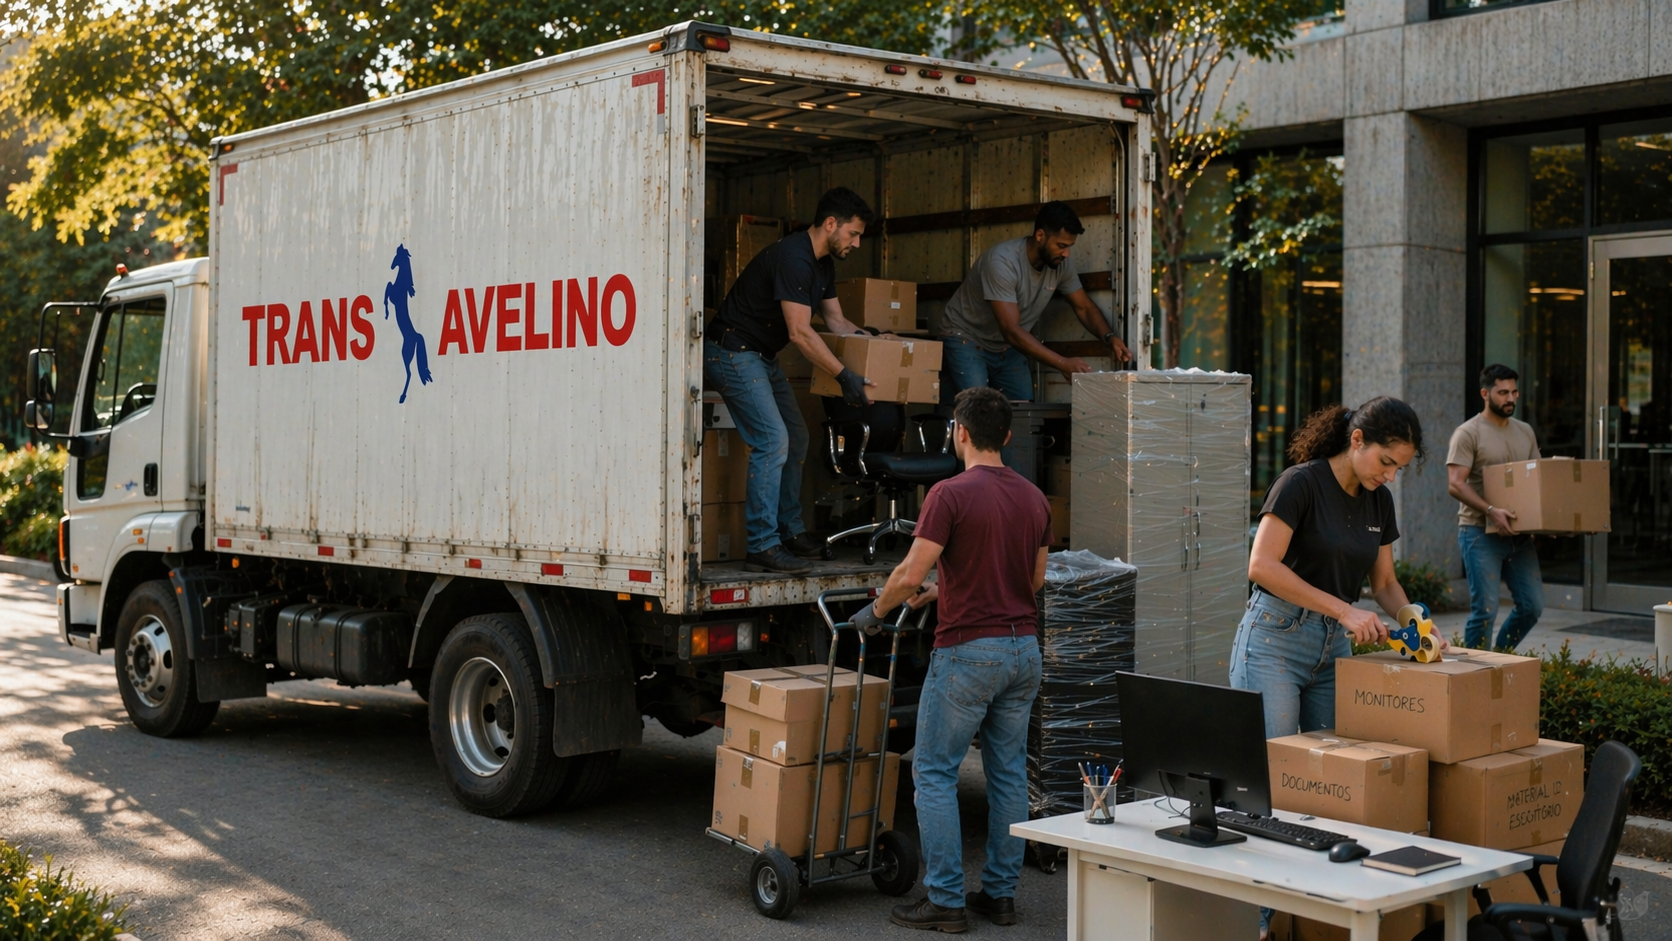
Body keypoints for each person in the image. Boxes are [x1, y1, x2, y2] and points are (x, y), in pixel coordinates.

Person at [852, 387, 1050, 933]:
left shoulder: (949, 493)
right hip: (1023, 650)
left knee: (934, 772)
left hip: (969, 652)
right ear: (1005, 435)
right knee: (1007, 772)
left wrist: (875, 612)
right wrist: (947, 590)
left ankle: (945, 900)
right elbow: (1032, 581)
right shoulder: (1035, 498)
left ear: (959, 432)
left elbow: (909, 573)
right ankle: (1000, 896)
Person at [1231, 397, 1441, 740]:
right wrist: (1345, 610)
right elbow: (1261, 566)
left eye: (1398, 469)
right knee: (1275, 761)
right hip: (1274, 641)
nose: (1390, 476)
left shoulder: (1380, 501)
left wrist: (1415, 624)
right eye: (1386, 462)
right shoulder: (1299, 483)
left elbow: (1385, 583)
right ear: (1357, 440)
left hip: (1335, 648)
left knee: (1333, 764)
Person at [705, 186, 881, 575]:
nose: (855, 243)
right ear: (831, 224)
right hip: (732, 352)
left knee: (797, 437)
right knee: (772, 440)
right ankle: (762, 546)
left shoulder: (823, 264)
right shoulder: (794, 258)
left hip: (761, 356)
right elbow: (800, 332)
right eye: (853, 234)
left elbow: (837, 322)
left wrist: (878, 342)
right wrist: (844, 376)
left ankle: (789, 531)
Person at [937, 201, 1133, 403]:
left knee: (1025, 412)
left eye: (1070, 247)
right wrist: (1062, 363)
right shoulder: (1001, 262)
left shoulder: (1061, 264)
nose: (1067, 254)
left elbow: (1083, 307)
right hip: (967, 339)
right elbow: (1011, 331)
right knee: (978, 408)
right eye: (1061, 246)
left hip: (1007, 347)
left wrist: (1109, 337)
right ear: (1040, 236)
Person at [1448, 364, 1544, 650]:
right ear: (1485, 394)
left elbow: (1537, 480)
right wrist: (1491, 510)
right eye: (1503, 393)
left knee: (1532, 606)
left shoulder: (1525, 431)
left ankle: (1500, 658)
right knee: (1486, 612)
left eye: (1514, 392)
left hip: (1519, 536)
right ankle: (1474, 669)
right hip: (1479, 533)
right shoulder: (1468, 433)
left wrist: (1548, 520)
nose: (1510, 398)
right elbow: (1455, 484)